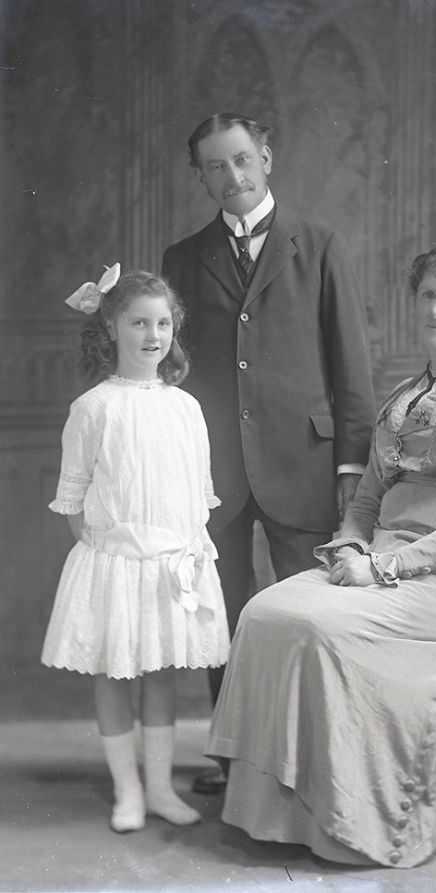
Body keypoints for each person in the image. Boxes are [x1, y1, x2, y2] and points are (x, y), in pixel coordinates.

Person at [206, 245, 436, 868]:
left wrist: (386, 568)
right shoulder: (401, 398)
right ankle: (284, 812)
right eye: (428, 296)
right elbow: (366, 498)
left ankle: (348, 819)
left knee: (316, 625)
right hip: (379, 564)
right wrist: (353, 547)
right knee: (262, 611)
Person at [162, 113, 376, 793]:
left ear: (267, 159)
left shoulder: (319, 244)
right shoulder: (182, 258)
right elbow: (173, 369)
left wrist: (350, 467)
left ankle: (307, 758)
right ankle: (237, 757)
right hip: (214, 470)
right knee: (220, 614)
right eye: (215, 167)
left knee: (305, 615)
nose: (232, 177)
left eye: (242, 160)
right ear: (200, 176)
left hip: (305, 464)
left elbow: (352, 365)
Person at [41, 264, 229, 833]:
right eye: (139, 323)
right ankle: (127, 792)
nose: (153, 336)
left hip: (174, 564)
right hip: (115, 564)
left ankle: (159, 788)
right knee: (116, 673)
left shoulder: (184, 406)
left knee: (161, 674)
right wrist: (107, 559)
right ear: (111, 330)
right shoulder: (94, 407)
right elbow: (72, 497)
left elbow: (198, 492)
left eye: (164, 323)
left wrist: (191, 552)